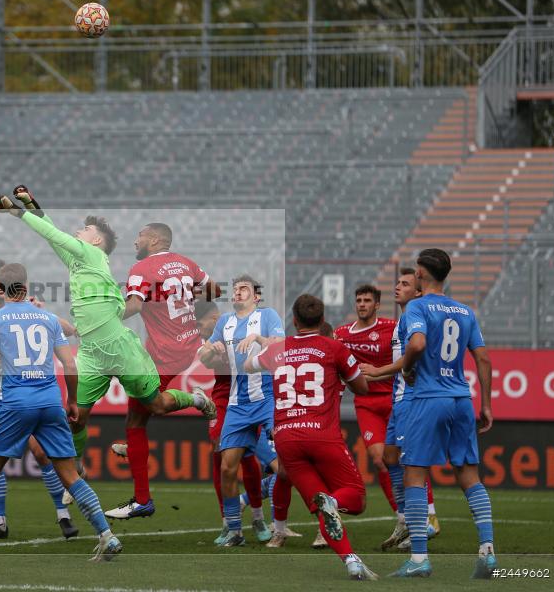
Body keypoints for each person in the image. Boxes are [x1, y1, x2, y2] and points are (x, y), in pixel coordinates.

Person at [0, 186, 215, 511]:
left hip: (119, 345)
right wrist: (32, 205)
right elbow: (52, 236)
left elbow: (54, 234)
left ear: (95, 241)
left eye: (84, 230)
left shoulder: (92, 254)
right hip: (92, 351)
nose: (77, 232)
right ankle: (77, 471)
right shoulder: (79, 262)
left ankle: (197, 399)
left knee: (155, 405)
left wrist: (19, 213)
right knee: (77, 418)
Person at [0, 263, 122, 562]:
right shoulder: (48, 319)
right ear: (27, 286)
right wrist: (73, 402)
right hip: (51, 402)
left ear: (1, 289)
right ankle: (107, 535)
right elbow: (69, 365)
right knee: (69, 474)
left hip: (17, 403)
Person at [245, 294, 378, 580]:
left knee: (321, 504)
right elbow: (362, 388)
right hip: (321, 435)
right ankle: (331, 503)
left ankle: (351, 560)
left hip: (286, 439)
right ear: (322, 320)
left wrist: (271, 349)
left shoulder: (277, 350)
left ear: (294, 321)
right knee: (354, 499)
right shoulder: (334, 348)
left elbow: (248, 366)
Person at [106, 223, 221, 519]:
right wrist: (185, 306)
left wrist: (103, 316)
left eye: (140, 236)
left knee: (144, 413)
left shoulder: (143, 269)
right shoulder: (186, 262)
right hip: (187, 344)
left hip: (163, 354)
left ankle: (196, 401)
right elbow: (215, 290)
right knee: (137, 418)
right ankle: (138, 477)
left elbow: (132, 306)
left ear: (155, 239)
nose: (135, 241)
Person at [391, 249, 495, 579]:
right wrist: (487, 404)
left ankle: (420, 559)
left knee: (415, 475)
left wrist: (407, 370)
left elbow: (418, 345)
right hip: (461, 398)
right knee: (469, 475)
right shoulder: (465, 311)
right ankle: (488, 552)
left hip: (428, 398)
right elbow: (483, 359)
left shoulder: (417, 306)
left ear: (420, 274)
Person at [0, 260, 79, 540]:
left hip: (28, 393)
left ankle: (63, 515)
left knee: (42, 453)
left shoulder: (29, 307)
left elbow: (68, 330)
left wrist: (42, 310)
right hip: (2, 395)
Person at [196, 275, 283, 546]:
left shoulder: (267, 316)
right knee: (227, 468)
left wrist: (258, 337)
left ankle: (305, 518)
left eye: (243, 289)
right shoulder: (225, 323)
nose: (237, 293)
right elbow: (204, 356)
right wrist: (213, 349)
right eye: (234, 290)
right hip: (237, 404)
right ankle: (234, 530)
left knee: (286, 464)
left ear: (256, 296)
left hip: (266, 398)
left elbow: (281, 345)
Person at [359, 268, 439, 550]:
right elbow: (402, 367)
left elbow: (414, 357)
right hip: (398, 399)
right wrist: (371, 375)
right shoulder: (401, 322)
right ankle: (406, 520)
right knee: (389, 458)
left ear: (417, 292)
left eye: (405, 284)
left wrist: (379, 370)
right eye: (397, 282)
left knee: (409, 462)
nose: (397, 287)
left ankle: (426, 519)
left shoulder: (417, 317)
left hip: (412, 401)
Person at [334, 285, 399, 515]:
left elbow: (407, 359)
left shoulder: (392, 328)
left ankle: (426, 513)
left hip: (393, 400)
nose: (362, 304)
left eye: (367, 300)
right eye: (359, 300)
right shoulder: (341, 334)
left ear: (377, 305)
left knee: (405, 459)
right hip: (366, 403)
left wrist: (379, 371)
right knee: (379, 459)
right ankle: (401, 517)